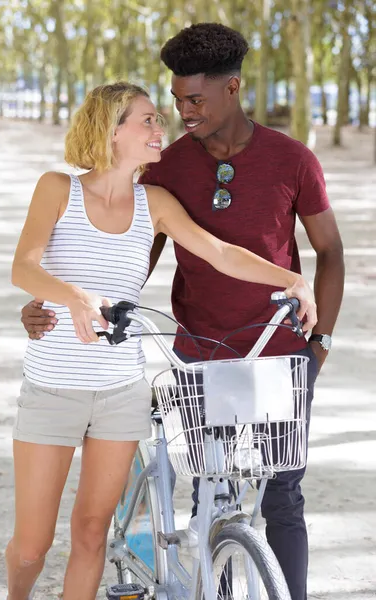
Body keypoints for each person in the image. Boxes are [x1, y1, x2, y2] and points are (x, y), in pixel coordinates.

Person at [20, 24, 344, 600]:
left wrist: (311, 324)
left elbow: (290, 251)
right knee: (203, 495)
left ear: (232, 88)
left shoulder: (286, 160)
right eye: (168, 104)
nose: (177, 114)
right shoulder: (161, 168)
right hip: (187, 353)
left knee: (282, 496)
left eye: (191, 101)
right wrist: (62, 302)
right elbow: (123, 259)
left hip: (274, 351)